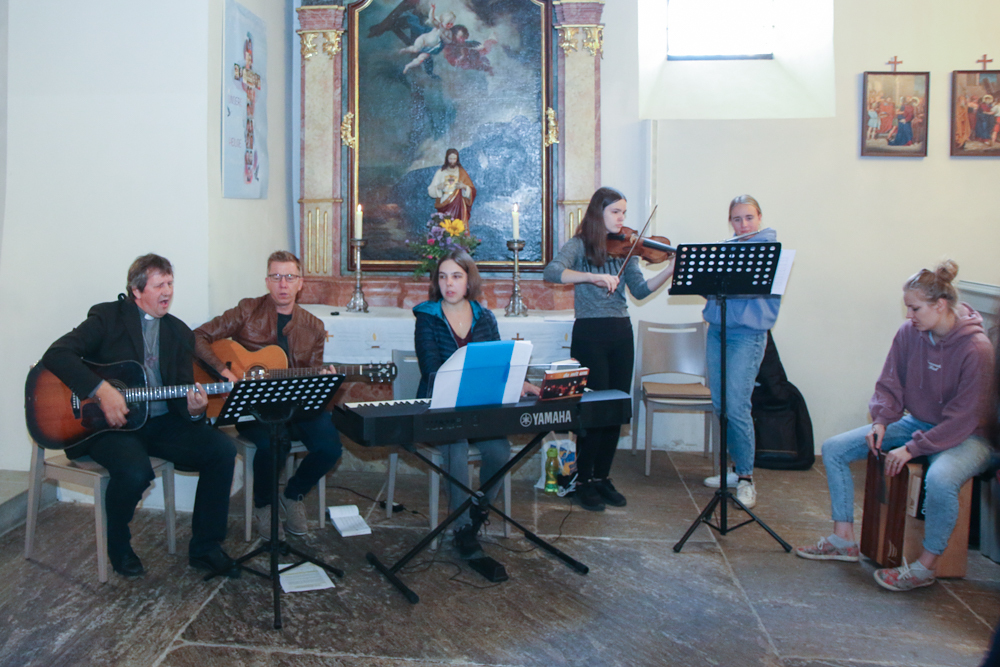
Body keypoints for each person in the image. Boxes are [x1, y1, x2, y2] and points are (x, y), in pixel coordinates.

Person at [795, 260, 994, 592]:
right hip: (920, 422)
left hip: (969, 436)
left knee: (940, 479)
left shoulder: (977, 349)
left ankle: (925, 567)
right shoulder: (909, 333)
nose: (908, 315)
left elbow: (964, 418)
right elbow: (890, 384)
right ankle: (843, 539)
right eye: (907, 308)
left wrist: (912, 449)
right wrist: (881, 421)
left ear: (940, 305)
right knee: (834, 449)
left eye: (915, 308)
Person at [41, 254, 239, 578]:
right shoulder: (108, 317)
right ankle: (119, 545)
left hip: (160, 424)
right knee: (135, 472)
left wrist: (194, 412)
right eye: (159, 285)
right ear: (137, 290)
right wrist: (101, 390)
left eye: (170, 283)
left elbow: (181, 400)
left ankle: (206, 548)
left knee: (222, 450)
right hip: (108, 426)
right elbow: (57, 354)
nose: (167, 291)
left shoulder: (178, 332)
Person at [195, 251, 341, 540]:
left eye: (290, 277)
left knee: (330, 447)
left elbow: (311, 374)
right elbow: (198, 336)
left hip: (296, 406)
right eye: (276, 277)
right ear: (266, 281)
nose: (282, 284)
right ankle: (264, 504)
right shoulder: (247, 310)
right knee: (275, 443)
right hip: (252, 407)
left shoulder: (314, 327)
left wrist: (323, 380)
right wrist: (222, 372)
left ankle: (293, 493)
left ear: (300, 282)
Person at [543, 187, 674, 511]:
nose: (621, 218)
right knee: (594, 411)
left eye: (624, 212)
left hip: (620, 333)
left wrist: (671, 268)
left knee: (615, 409)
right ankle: (583, 480)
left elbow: (640, 291)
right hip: (590, 334)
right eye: (616, 211)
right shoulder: (579, 245)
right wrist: (592, 277)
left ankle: (602, 477)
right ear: (598, 212)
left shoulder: (626, 249)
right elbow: (552, 271)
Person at [413, 250, 539, 559]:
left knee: (499, 451)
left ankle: (479, 509)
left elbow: (499, 364)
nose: (449, 284)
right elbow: (431, 370)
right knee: (456, 449)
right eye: (443, 277)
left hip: (480, 409)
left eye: (456, 276)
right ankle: (462, 527)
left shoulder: (485, 317)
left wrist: (520, 383)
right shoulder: (427, 318)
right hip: (441, 410)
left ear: (469, 281)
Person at [700, 195, 782, 509]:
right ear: (730, 222)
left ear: (759, 217)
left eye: (749, 218)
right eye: (737, 219)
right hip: (718, 331)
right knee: (721, 404)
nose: (743, 224)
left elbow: (760, 294)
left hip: (747, 336)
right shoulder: (725, 249)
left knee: (737, 406)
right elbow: (713, 292)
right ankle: (734, 470)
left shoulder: (771, 252)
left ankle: (747, 477)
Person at [427, 148, 476, 225]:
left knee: (457, 226)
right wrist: (438, 188)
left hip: (458, 205)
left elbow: (472, 190)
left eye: (454, 159)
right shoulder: (440, 172)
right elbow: (431, 189)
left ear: (457, 159)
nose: (452, 161)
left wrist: (464, 187)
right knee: (444, 225)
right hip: (444, 203)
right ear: (447, 159)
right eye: (450, 159)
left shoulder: (462, 172)